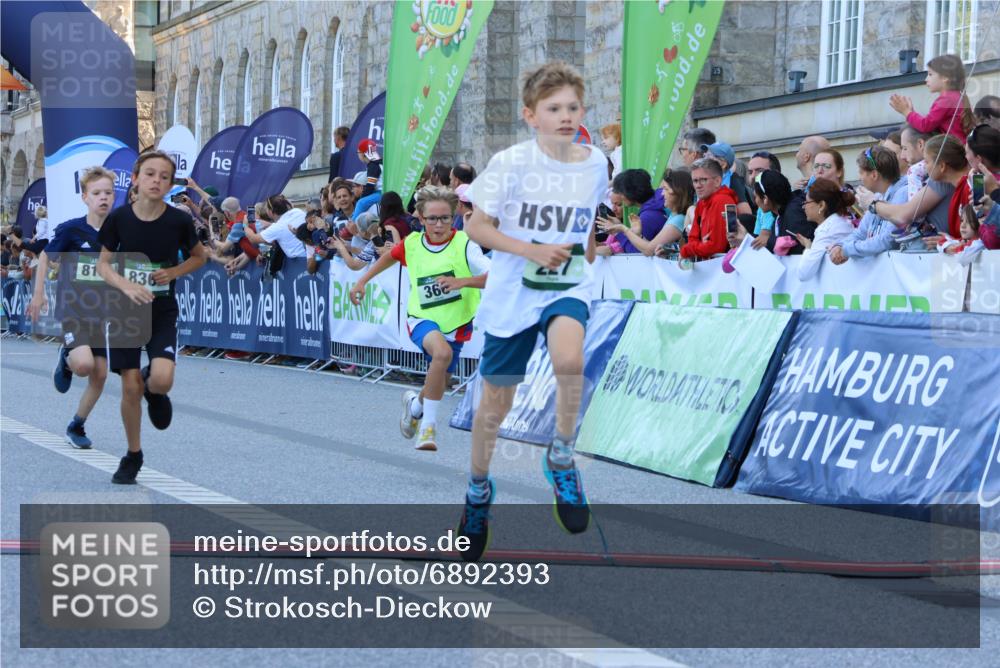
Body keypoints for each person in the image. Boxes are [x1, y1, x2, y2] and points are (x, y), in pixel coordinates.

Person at [461, 61, 608, 562]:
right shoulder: (511, 163)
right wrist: (528, 250)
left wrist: (586, 247)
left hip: (566, 285)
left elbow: (585, 218)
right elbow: (477, 228)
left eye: (573, 107)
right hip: (513, 291)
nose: (566, 116)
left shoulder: (596, 163)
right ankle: (478, 492)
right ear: (531, 115)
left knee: (571, 363)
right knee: (492, 411)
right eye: (554, 109)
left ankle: (561, 457)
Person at [96, 151, 209, 484]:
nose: (157, 180)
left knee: (160, 379)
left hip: (161, 309)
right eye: (150, 174)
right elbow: (103, 265)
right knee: (129, 388)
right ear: (135, 179)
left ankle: (154, 390)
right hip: (124, 310)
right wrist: (126, 285)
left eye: (164, 176)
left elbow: (199, 257)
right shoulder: (118, 219)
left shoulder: (179, 220)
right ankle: (133, 454)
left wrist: (174, 270)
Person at [350, 186, 489, 451]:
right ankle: (428, 428)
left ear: (453, 218)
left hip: (456, 322)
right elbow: (388, 258)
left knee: (439, 379)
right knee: (441, 354)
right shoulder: (413, 243)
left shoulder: (466, 244)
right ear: (422, 219)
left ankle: (415, 407)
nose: (439, 225)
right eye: (432, 219)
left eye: (445, 218)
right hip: (421, 317)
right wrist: (362, 281)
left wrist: (462, 281)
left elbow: (494, 276)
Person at [27, 167, 115, 449]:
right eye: (97, 193)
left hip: (101, 313)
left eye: (108, 193)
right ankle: (66, 358)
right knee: (84, 365)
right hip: (73, 309)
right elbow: (44, 258)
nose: (103, 198)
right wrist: (38, 295)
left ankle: (76, 425)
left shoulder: (118, 232)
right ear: (85, 197)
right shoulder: (72, 229)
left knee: (100, 374)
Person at [863, 134, 965, 244]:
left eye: (926, 161)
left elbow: (903, 216)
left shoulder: (969, 184)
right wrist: (953, 242)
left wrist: (873, 204)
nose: (924, 167)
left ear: (942, 166)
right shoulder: (960, 184)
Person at [831, 146, 908, 264]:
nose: (859, 177)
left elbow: (887, 240)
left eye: (861, 172)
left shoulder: (902, 193)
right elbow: (861, 233)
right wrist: (840, 245)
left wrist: (847, 249)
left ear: (874, 175)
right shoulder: (877, 196)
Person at [604, 168, 692, 257]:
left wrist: (621, 230)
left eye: (666, 189)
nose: (662, 193)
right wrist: (639, 235)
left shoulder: (650, 216)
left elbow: (639, 252)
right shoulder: (668, 212)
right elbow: (653, 248)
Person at [890, 54, 975, 143]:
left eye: (930, 74)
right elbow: (931, 123)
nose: (926, 79)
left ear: (945, 77)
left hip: (954, 151)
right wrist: (912, 113)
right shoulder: (956, 96)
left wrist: (906, 112)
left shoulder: (946, 100)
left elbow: (925, 125)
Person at [796, 178, 856, 281]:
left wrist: (808, 247)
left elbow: (804, 273)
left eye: (806, 202)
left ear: (821, 205)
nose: (804, 207)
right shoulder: (836, 222)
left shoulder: (827, 231)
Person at [680, 158, 737, 260]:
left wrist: (687, 250)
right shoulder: (702, 202)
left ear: (717, 181)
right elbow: (693, 237)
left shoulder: (722, 200)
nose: (698, 185)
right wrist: (700, 244)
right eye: (695, 181)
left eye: (703, 180)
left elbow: (716, 247)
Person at [598, 169, 666, 254]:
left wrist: (617, 232)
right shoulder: (654, 204)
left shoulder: (648, 217)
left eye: (621, 192)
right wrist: (619, 226)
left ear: (630, 192)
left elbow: (634, 251)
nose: (621, 196)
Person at [241, 194, 307, 258]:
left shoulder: (277, 227)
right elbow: (286, 224)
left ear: (270, 211)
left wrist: (245, 225)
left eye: (266, 208)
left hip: (298, 262)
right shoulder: (297, 211)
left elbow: (253, 239)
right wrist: (270, 225)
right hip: (310, 256)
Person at [701, 141, 752, 215]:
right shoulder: (706, 181)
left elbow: (746, 215)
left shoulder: (733, 181)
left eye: (709, 156)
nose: (705, 159)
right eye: (705, 155)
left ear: (723, 164)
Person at [749, 169, 793, 250]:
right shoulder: (779, 215)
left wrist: (770, 242)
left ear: (765, 199)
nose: (755, 202)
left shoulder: (793, 214)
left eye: (756, 197)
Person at [900, 125, 932, 199]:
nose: (902, 156)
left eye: (905, 148)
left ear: (920, 144)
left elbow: (915, 210)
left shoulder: (915, 171)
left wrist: (914, 172)